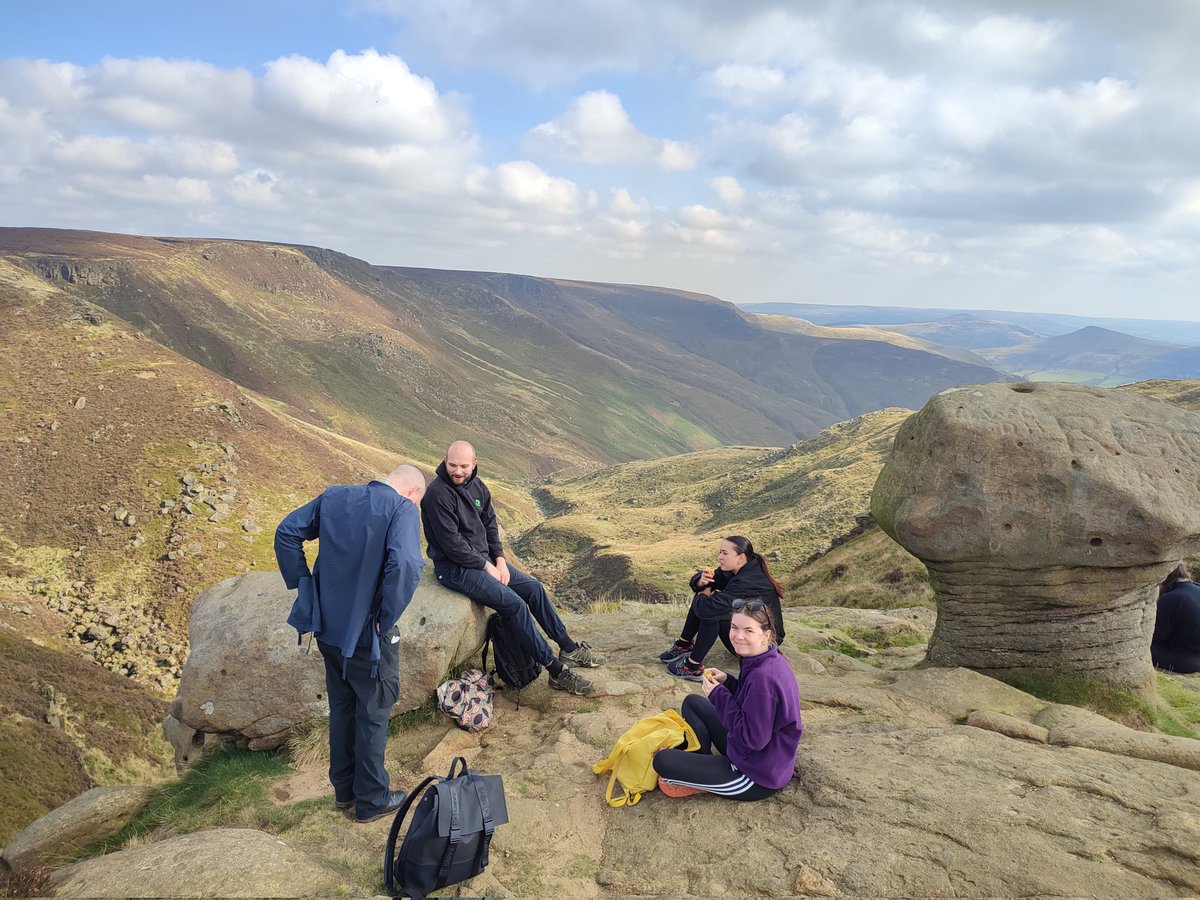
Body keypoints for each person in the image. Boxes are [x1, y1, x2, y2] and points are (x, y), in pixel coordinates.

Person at [274, 464, 426, 823]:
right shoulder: (402, 509)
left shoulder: (335, 496)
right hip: (365, 635)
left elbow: (286, 532)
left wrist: (305, 586)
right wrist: (384, 617)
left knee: (342, 708)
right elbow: (406, 563)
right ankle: (372, 800)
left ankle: (344, 792)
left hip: (326, 628)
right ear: (414, 492)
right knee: (373, 712)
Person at [421, 440, 604, 695]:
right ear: (444, 460)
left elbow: (490, 525)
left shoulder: (478, 487)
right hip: (454, 568)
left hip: (484, 561)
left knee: (533, 588)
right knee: (514, 605)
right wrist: (486, 566)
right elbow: (452, 545)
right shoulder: (437, 495)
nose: (458, 471)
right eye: (453, 465)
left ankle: (569, 648)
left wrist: (499, 560)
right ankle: (556, 671)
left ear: (474, 464)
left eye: (464, 466)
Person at [653, 598, 802, 800]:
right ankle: (702, 763)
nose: (738, 636)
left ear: (766, 635)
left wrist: (719, 695)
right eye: (734, 627)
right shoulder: (765, 658)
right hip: (750, 753)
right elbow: (751, 704)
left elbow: (753, 740)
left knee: (662, 761)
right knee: (693, 702)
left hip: (756, 775)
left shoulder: (763, 677)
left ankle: (704, 776)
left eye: (748, 630)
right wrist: (728, 682)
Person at [660, 535, 786, 681]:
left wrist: (702, 595)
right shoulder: (739, 567)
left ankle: (691, 667)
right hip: (750, 628)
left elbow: (708, 609)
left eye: (724, 553)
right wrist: (700, 582)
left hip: (764, 642)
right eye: (720, 552)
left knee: (714, 614)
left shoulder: (749, 581)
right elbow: (712, 580)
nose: (720, 557)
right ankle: (684, 645)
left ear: (740, 557)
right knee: (707, 603)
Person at [1151, 563, 1200, 674]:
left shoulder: (1171, 599)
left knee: (1137, 648)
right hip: (1194, 655)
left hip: (1186, 661)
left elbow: (1157, 635)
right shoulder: (1197, 587)